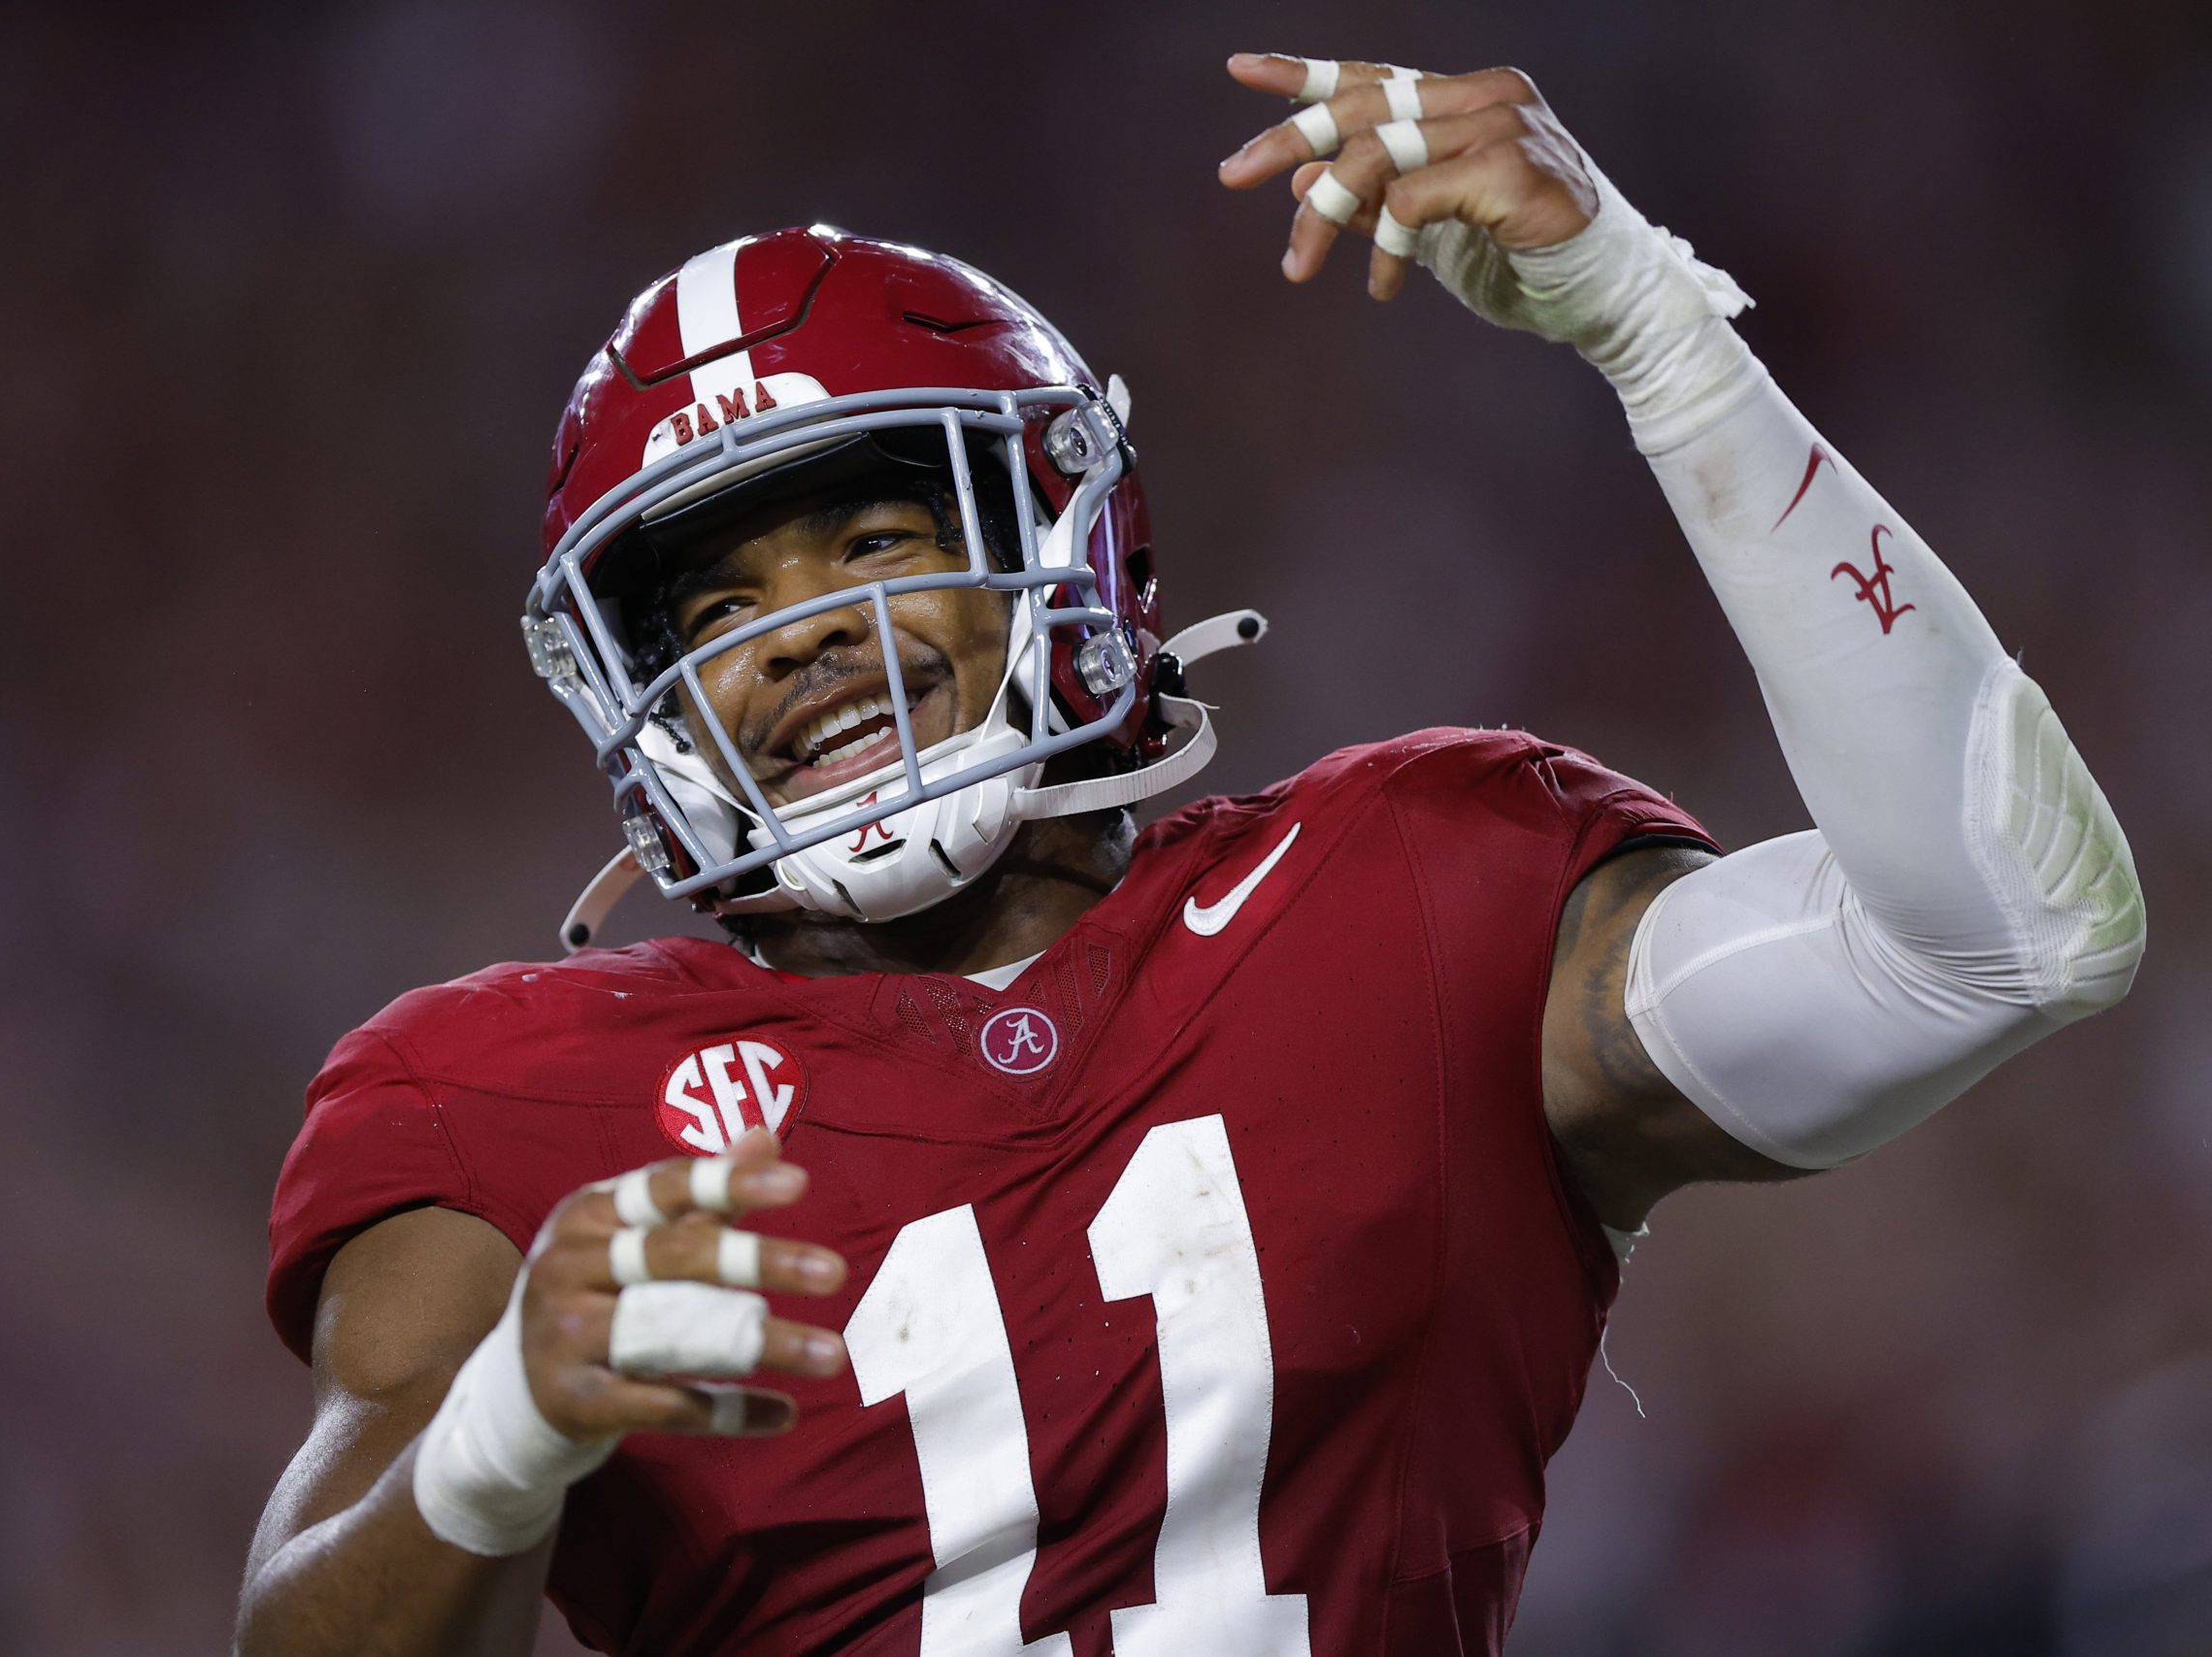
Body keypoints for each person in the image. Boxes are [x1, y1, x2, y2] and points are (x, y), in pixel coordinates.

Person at [232, 50, 2145, 1657]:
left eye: (868, 541)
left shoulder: (1403, 895)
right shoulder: (495, 1101)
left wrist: (1653, 328)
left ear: (1066, 546)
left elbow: (1998, 936)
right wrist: (500, 1424)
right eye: (714, 604)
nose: (793, 633)